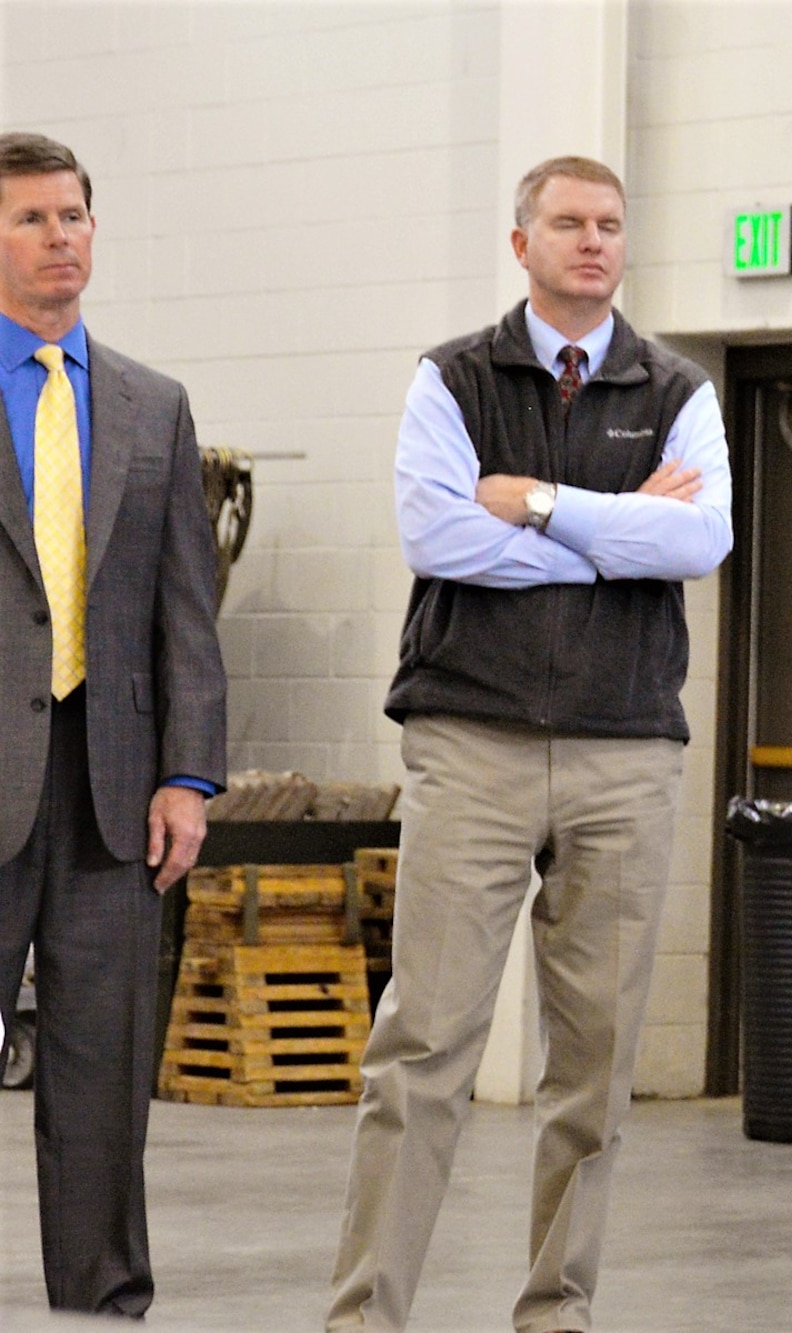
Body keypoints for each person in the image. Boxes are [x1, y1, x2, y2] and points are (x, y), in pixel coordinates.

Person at [326, 155, 731, 1333]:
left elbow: (699, 540)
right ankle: (365, 1315)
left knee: (594, 1069)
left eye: (610, 224)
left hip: (625, 753)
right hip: (473, 742)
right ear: (521, 244)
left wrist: (544, 503)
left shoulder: (678, 385)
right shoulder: (452, 377)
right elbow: (439, 536)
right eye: (567, 223)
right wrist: (620, 531)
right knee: (422, 1051)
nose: (593, 242)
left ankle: (556, 1311)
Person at [0, 133, 226, 1317]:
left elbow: (185, 609)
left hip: (111, 793)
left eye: (74, 216)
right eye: (33, 218)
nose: (61, 238)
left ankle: (101, 1292)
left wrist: (188, 774)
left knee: (100, 1071)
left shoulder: (151, 402)